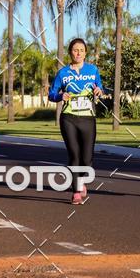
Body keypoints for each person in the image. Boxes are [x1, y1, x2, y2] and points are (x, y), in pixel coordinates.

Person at [48, 39, 104, 205]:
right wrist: (60, 96)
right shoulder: (63, 73)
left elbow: (100, 88)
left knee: (86, 159)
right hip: (69, 118)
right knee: (74, 154)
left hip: (87, 118)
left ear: (85, 53)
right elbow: (51, 94)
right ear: (70, 52)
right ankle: (76, 192)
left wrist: (98, 90)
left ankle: (81, 181)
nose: (78, 53)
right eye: (75, 50)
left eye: (81, 50)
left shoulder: (92, 70)